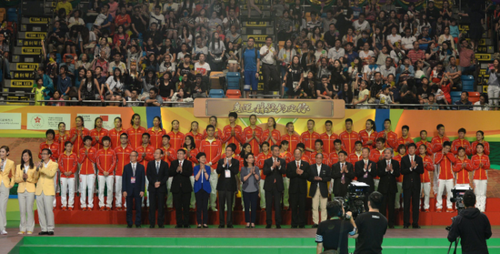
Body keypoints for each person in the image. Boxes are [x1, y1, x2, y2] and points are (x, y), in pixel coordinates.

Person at [35, 148, 58, 235]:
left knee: (48, 210)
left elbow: (51, 174)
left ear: (49, 155)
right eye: (42, 154)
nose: (43, 155)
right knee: (40, 210)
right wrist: (37, 169)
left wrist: (41, 168)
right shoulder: (39, 164)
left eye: (45, 154)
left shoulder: (54, 164)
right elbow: (36, 177)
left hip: (48, 190)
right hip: (39, 190)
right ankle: (43, 228)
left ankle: (50, 228)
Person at [199, 125, 222, 212]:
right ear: (206, 131)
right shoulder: (202, 142)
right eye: (209, 130)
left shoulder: (218, 142)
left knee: (213, 188)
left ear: (214, 132)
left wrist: (211, 163)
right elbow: (201, 154)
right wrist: (206, 164)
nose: (211, 132)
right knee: (204, 188)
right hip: (204, 168)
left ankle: (212, 205)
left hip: (214, 169)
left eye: (212, 130)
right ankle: (205, 205)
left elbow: (219, 154)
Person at [263, 145, 286, 228]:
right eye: (275, 150)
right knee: (268, 205)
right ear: (271, 151)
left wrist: (279, 166)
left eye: (278, 150)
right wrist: (272, 167)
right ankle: (268, 222)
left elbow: (284, 171)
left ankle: (278, 223)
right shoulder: (267, 161)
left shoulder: (282, 161)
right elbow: (265, 172)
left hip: (278, 186)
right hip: (269, 186)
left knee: (277, 205)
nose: (277, 152)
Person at [216, 144, 239, 228]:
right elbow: (218, 171)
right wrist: (223, 165)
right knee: (221, 205)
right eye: (226, 150)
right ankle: (221, 223)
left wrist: (230, 165)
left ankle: (229, 223)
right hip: (221, 186)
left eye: (229, 150)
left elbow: (236, 171)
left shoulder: (236, 162)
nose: (227, 152)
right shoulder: (221, 161)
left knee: (230, 205)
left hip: (230, 186)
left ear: (232, 152)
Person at [401, 143, 423, 229]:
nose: (411, 150)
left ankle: (415, 223)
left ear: (415, 149)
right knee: (406, 204)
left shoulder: (419, 159)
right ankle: (406, 223)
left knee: (416, 204)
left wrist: (415, 168)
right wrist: (410, 168)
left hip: (416, 185)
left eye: (412, 148)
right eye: (409, 148)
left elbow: (421, 171)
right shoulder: (404, 159)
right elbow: (402, 171)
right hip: (407, 185)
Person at [377, 148, 400, 228]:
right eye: (385, 153)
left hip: (392, 188)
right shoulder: (380, 163)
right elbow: (379, 173)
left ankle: (391, 223)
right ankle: (383, 223)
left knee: (391, 206)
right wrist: (386, 170)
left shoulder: (395, 163)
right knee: (382, 207)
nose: (386, 154)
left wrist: (392, 170)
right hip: (383, 188)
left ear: (391, 154)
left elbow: (398, 174)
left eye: (388, 153)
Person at [287, 148, 310, 228]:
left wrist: (302, 173)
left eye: (298, 154)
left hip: (302, 189)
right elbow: (288, 174)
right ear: (294, 155)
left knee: (302, 207)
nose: (297, 155)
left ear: (301, 155)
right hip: (293, 189)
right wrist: (295, 173)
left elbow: (308, 176)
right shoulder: (290, 164)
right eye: (296, 154)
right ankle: (294, 223)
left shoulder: (306, 164)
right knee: (293, 207)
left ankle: (301, 223)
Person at [15, 149, 37, 235]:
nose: (25, 157)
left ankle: (30, 228)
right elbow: (16, 179)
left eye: (26, 155)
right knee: (22, 210)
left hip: (30, 190)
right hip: (21, 190)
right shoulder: (18, 166)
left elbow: (35, 180)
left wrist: (28, 178)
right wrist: (22, 178)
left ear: (30, 156)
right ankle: (22, 228)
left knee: (29, 209)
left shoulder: (34, 167)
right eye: (23, 155)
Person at [170, 149, 193, 228]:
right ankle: (179, 223)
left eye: (181, 153)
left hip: (186, 188)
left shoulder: (188, 163)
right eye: (178, 153)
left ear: (184, 155)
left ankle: (186, 223)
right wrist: (177, 170)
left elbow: (190, 173)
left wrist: (182, 170)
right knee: (178, 206)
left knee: (186, 206)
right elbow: (170, 173)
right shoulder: (173, 163)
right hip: (176, 188)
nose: (179, 155)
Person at [122, 151, 145, 228]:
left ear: (137, 157)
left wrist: (142, 190)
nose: (131, 157)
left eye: (133, 156)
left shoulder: (141, 167)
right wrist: (124, 190)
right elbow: (124, 179)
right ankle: (129, 222)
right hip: (129, 189)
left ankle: (138, 222)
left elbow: (143, 180)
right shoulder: (126, 167)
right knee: (129, 207)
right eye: (130, 156)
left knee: (138, 207)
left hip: (138, 189)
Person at [147, 149, 169, 228]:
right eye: (154, 153)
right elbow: (148, 175)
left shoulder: (165, 164)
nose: (155, 154)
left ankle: (160, 223)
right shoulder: (150, 163)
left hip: (161, 188)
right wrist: (154, 183)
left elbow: (166, 176)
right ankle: (152, 223)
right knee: (152, 206)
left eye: (157, 153)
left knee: (161, 206)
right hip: (152, 187)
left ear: (161, 155)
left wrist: (160, 182)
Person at [309, 152, 332, 228]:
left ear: (322, 159)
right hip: (314, 188)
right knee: (314, 206)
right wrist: (313, 178)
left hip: (323, 189)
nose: (318, 159)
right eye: (317, 158)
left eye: (320, 158)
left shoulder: (327, 167)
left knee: (323, 207)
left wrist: (321, 179)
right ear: (315, 159)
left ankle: (323, 222)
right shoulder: (311, 167)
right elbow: (308, 177)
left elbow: (329, 178)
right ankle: (315, 222)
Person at [434, 141, 456, 212]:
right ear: (443, 148)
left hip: (450, 177)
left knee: (450, 192)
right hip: (441, 177)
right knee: (439, 192)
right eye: (446, 148)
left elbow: (454, 161)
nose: (447, 150)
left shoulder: (451, 154)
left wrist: (448, 154)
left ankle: (449, 206)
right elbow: (436, 162)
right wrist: (442, 154)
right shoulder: (438, 154)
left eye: (449, 148)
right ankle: (439, 206)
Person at [114, 133, 134, 211]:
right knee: (118, 189)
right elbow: (114, 161)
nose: (123, 139)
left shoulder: (131, 149)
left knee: (128, 189)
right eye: (122, 138)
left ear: (127, 139)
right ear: (120, 139)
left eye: (125, 138)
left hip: (128, 173)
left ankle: (127, 205)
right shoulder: (116, 149)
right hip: (118, 172)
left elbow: (133, 161)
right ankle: (118, 204)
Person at [96, 136, 116, 211]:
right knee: (101, 189)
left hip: (110, 174)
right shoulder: (99, 152)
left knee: (110, 189)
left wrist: (109, 171)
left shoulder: (112, 151)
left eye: (107, 141)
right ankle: (101, 204)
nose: (106, 142)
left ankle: (108, 204)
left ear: (109, 142)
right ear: (102, 142)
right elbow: (98, 163)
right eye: (105, 141)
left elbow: (114, 162)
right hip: (101, 174)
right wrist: (102, 171)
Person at [240, 152, 260, 228]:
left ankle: (253, 222)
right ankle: (248, 221)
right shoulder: (243, 168)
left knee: (254, 206)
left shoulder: (256, 168)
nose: (252, 159)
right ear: (246, 159)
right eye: (250, 157)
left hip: (254, 190)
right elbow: (243, 179)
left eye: (252, 157)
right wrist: (249, 173)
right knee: (247, 206)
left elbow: (258, 179)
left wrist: (254, 173)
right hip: (246, 190)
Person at [78, 136, 97, 210]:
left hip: (91, 171)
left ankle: (90, 205)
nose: (88, 142)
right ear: (84, 142)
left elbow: (95, 160)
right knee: (83, 188)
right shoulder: (81, 150)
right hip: (82, 172)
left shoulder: (94, 149)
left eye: (90, 141)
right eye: (87, 141)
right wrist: (84, 155)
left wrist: (88, 155)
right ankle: (83, 205)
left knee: (91, 188)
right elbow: (80, 161)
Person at [57, 141, 77, 211]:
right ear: (65, 147)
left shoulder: (74, 155)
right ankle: (64, 205)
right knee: (63, 190)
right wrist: (64, 172)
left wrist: (71, 171)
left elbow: (75, 164)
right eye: (67, 146)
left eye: (70, 146)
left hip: (71, 176)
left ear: (72, 147)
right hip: (63, 175)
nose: (69, 147)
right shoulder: (61, 155)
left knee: (71, 190)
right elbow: (59, 164)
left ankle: (70, 205)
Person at [194, 152, 211, 228]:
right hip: (198, 188)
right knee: (199, 206)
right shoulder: (195, 168)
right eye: (201, 157)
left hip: (206, 188)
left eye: (204, 157)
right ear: (198, 159)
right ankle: (199, 223)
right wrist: (200, 170)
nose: (203, 159)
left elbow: (207, 178)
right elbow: (196, 178)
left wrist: (204, 170)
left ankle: (205, 222)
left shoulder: (208, 168)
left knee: (205, 206)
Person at [471, 144, 490, 212]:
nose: (479, 149)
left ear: (483, 149)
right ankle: (477, 207)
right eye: (478, 147)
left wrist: (483, 166)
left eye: (480, 147)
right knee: (477, 193)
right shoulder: (473, 157)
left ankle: (482, 208)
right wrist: (478, 166)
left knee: (483, 193)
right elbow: (471, 167)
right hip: (476, 178)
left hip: (484, 178)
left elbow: (488, 166)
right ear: (476, 149)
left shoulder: (486, 157)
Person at [0, 146, 14, 235]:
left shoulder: (11, 162)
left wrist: (12, 183)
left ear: (7, 153)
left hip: (5, 185)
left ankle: (2, 227)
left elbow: (13, 175)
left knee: (2, 206)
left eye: (3, 151)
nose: (1, 153)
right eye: (0, 151)